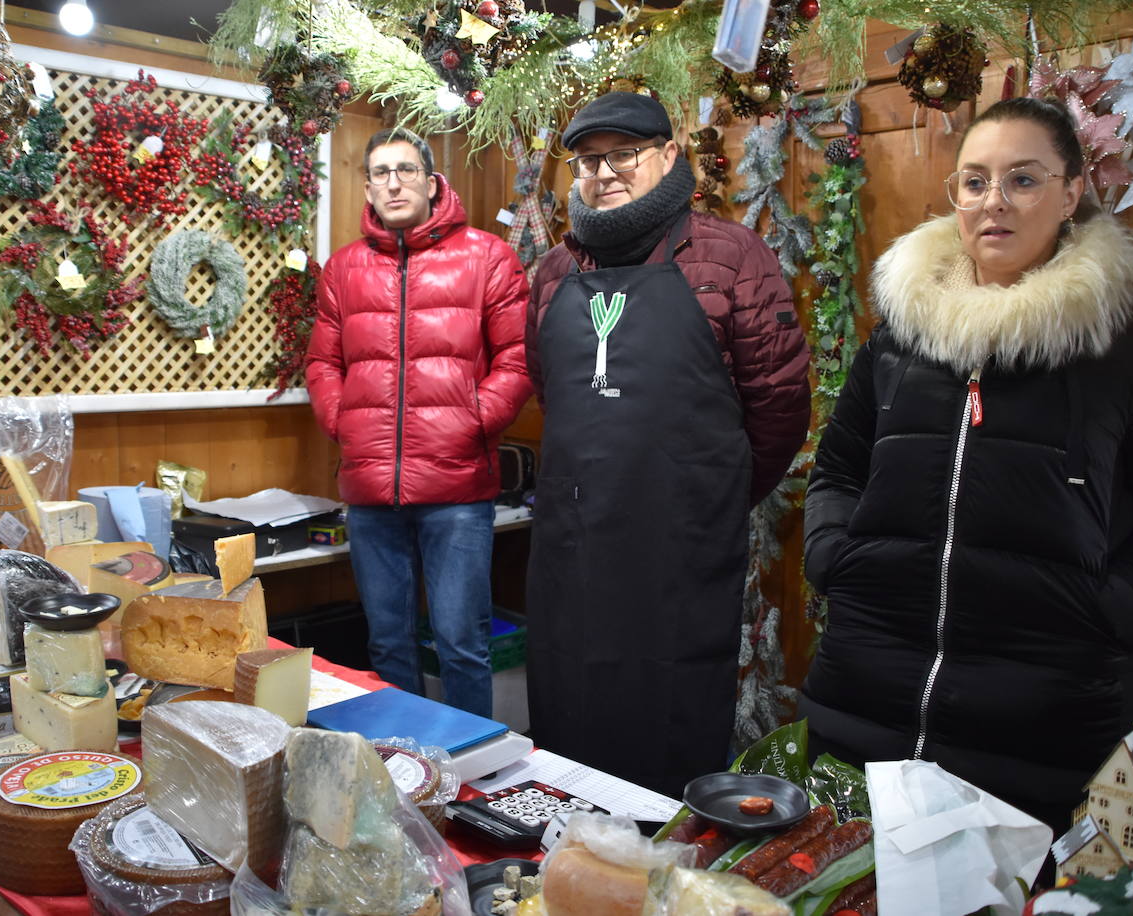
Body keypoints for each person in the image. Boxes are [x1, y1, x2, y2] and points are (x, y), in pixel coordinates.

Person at [801, 96, 1133, 837]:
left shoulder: (1126, 349)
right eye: (973, 181)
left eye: (1022, 180)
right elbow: (838, 469)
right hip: (867, 697)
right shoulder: (902, 334)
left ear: (1070, 193)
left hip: (1046, 727)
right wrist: (838, 561)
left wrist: (1111, 612)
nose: (993, 202)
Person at [524, 93, 811, 796]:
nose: (604, 172)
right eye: (589, 160)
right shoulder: (556, 272)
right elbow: (549, 389)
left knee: (668, 727)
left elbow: (779, 404)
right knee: (570, 726)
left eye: (624, 154)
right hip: (573, 546)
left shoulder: (730, 257)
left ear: (669, 156)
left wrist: (706, 496)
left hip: (680, 551)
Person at [305, 128, 532, 718]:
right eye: (381, 172)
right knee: (387, 646)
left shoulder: (486, 257)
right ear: (369, 187)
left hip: (457, 488)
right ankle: (406, 775)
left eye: (406, 170)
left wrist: (473, 419)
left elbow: (519, 357)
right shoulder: (344, 268)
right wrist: (343, 422)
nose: (394, 182)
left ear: (432, 183)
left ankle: (469, 775)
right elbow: (322, 362)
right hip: (371, 490)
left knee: (462, 646)